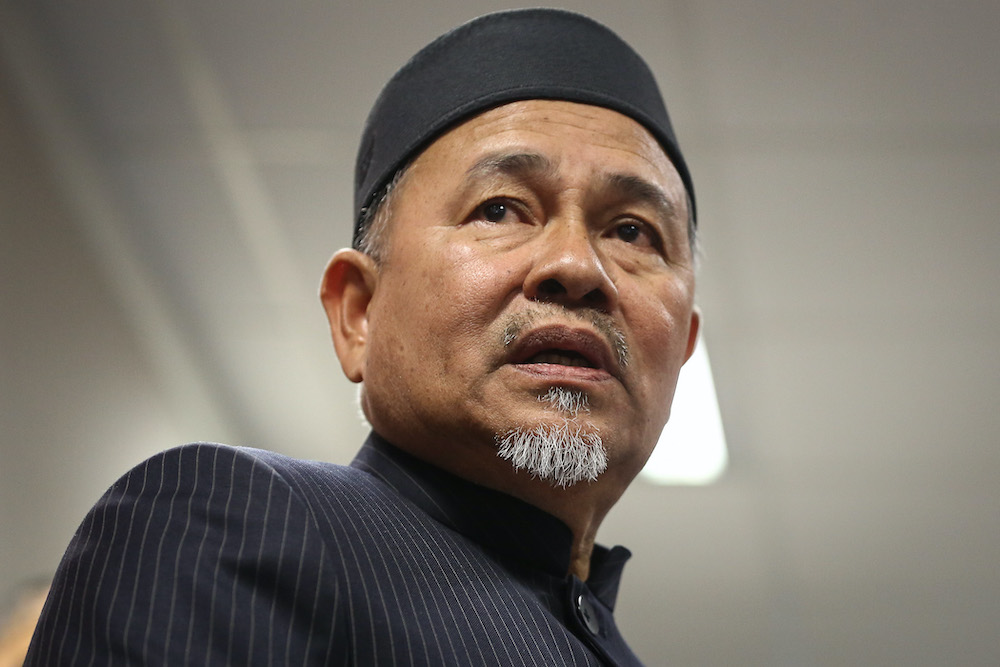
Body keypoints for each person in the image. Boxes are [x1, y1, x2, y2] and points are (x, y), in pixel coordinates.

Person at [26, 8, 700, 665]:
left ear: (683, 347)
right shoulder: (237, 526)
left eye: (633, 231)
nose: (578, 267)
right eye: (499, 209)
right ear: (358, 312)